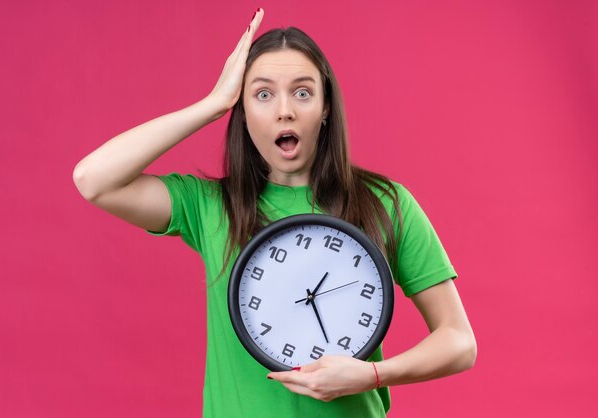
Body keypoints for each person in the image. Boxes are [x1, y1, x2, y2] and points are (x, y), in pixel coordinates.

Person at [73, 8, 476, 417]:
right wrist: (213, 104)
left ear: (324, 108)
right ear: (243, 112)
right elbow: (94, 179)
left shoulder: (385, 203)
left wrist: (372, 375)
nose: (285, 110)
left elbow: (459, 341)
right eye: (263, 94)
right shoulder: (211, 205)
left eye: (302, 92)